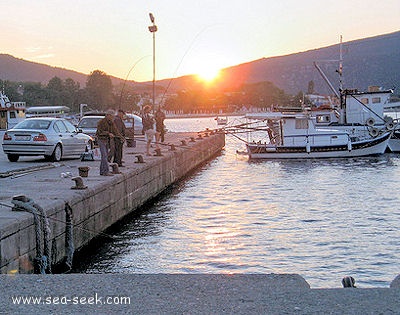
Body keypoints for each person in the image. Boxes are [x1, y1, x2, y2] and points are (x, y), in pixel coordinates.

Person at [96, 109, 123, 176]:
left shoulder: (111, 123)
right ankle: (106, 171)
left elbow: (115, 131)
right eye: (111, 116)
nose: (112, 118)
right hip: (101, 140)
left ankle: (102, 171)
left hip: (107, 141)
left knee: (105, 156)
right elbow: (99, 132)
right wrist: (108, 134)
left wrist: (121, 137)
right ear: (108, 115)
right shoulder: (101, 122)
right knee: (104, 156)